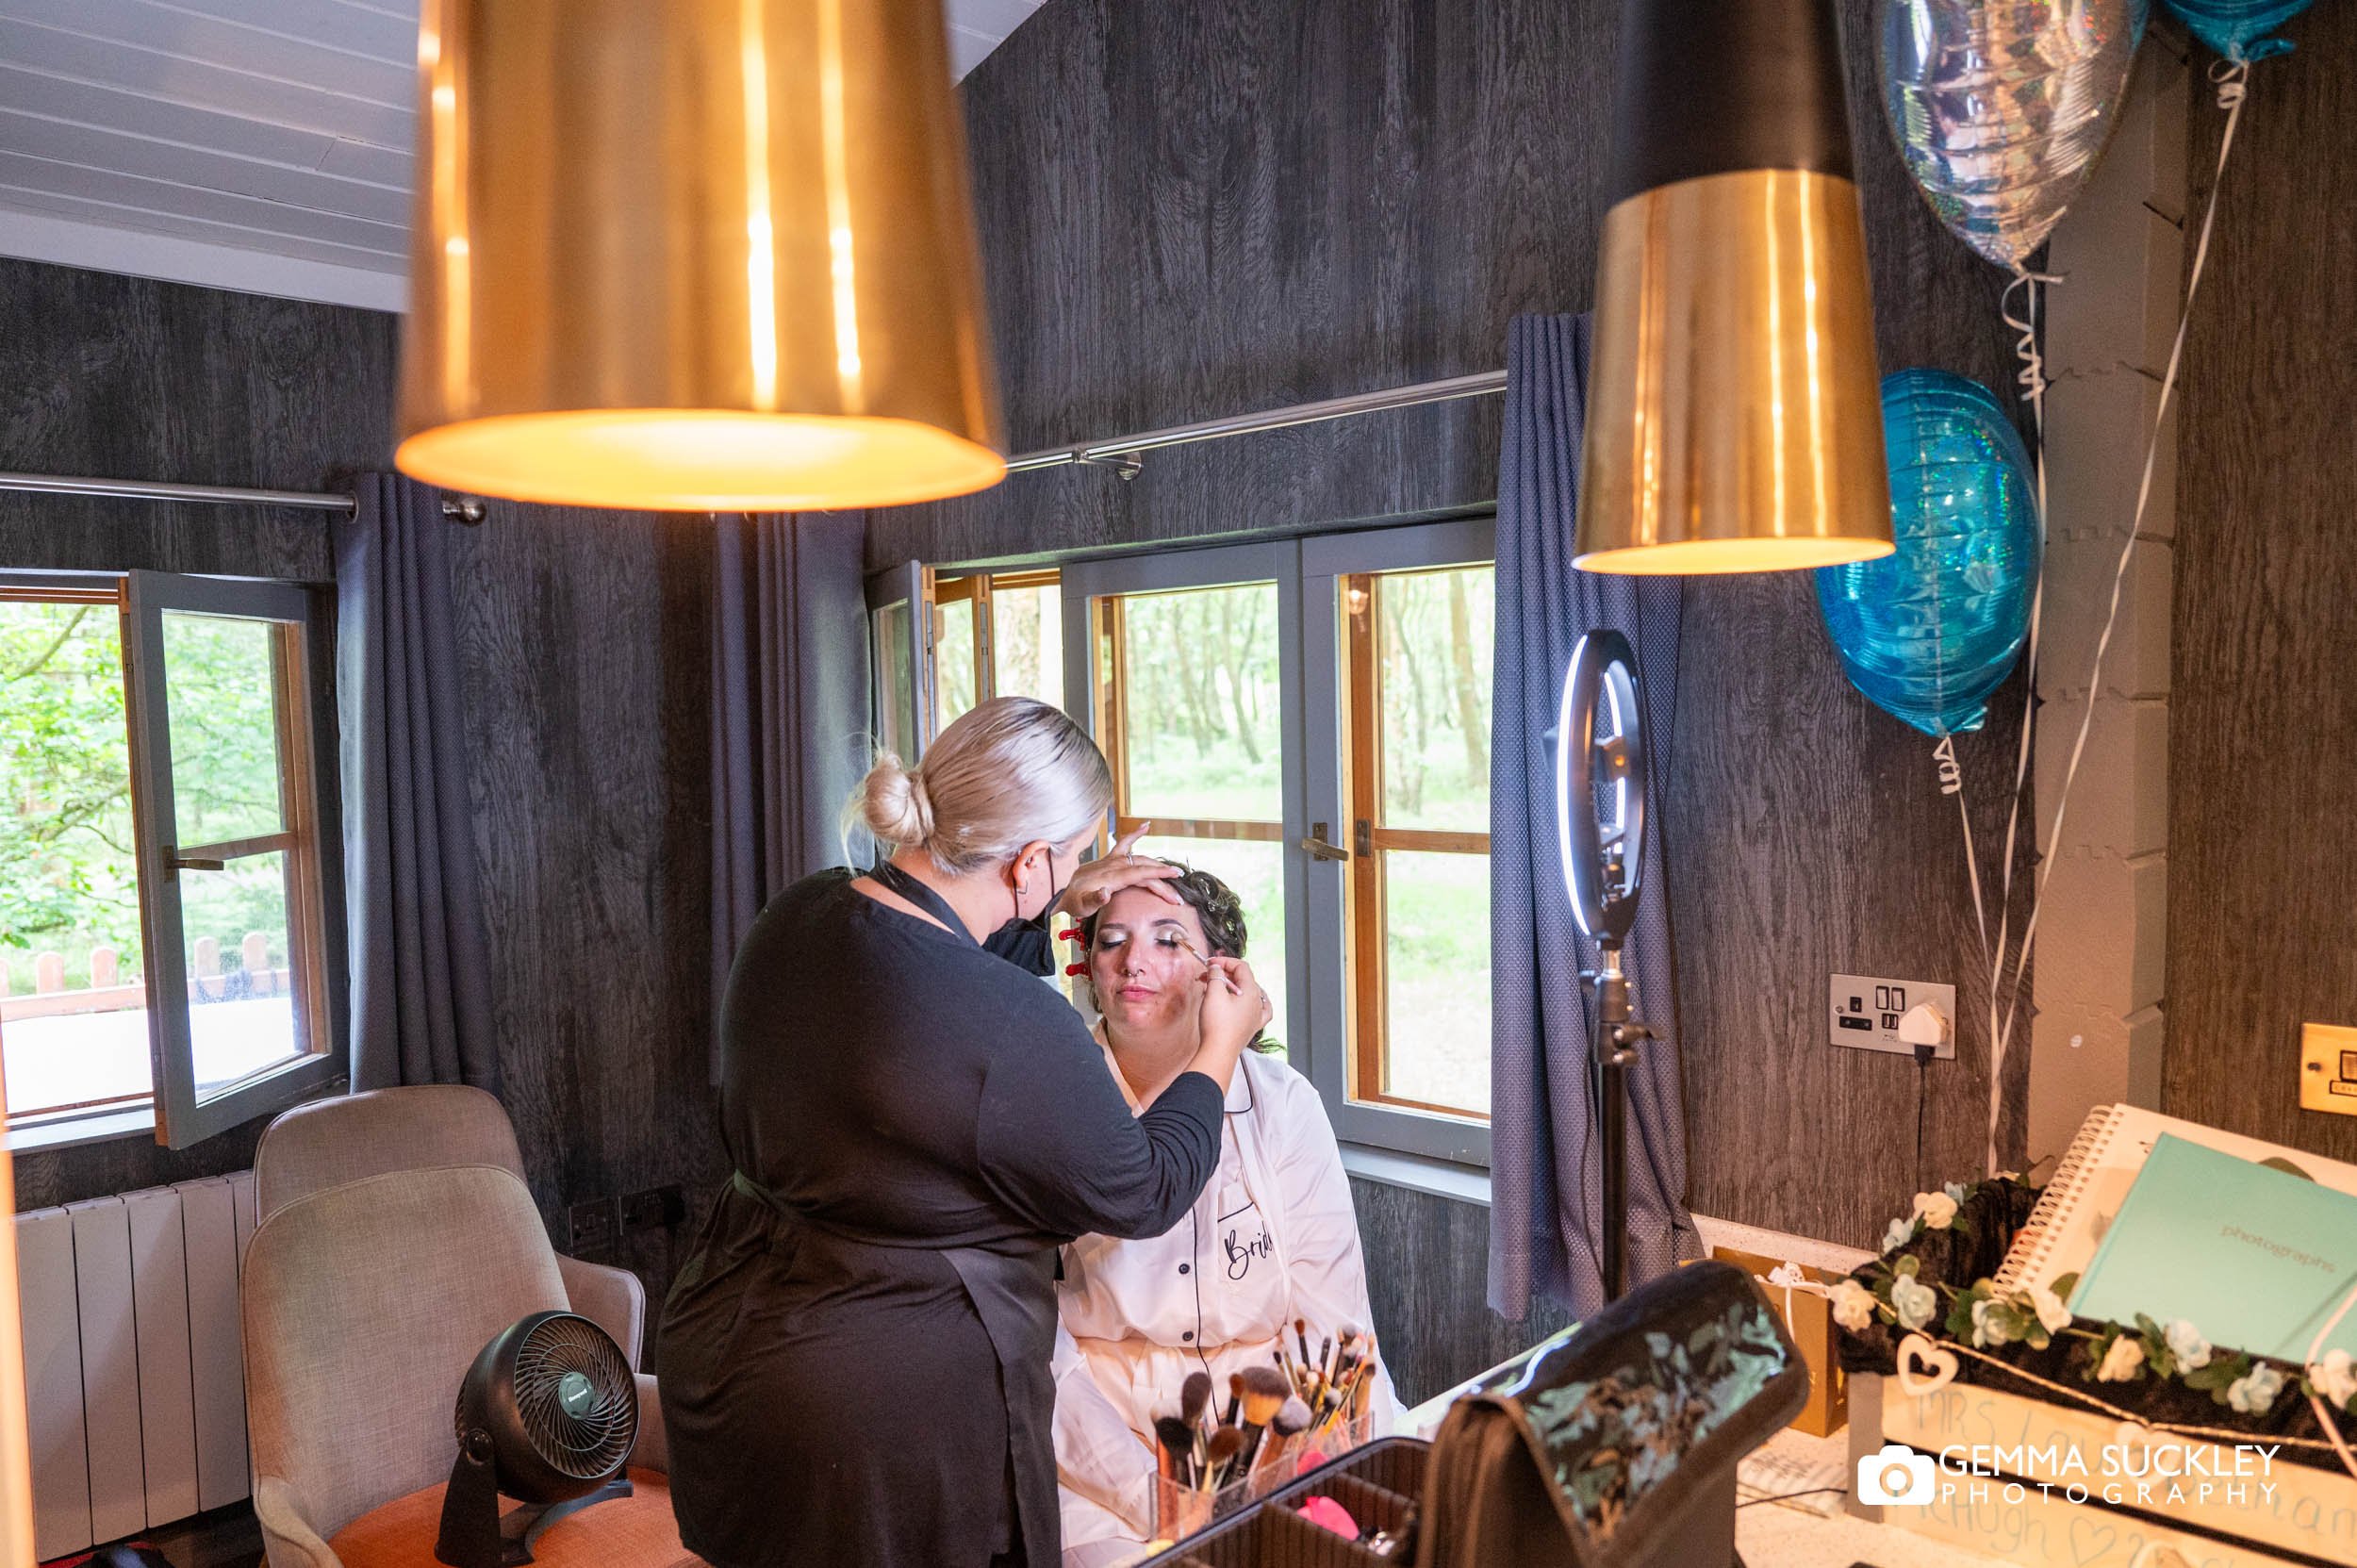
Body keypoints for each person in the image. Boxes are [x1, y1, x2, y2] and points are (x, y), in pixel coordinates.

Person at [658, 698, 1269, 1568]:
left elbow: (945, 977)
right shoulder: (1012, 1025)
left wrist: (1049, 897)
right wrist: (1219, 1045)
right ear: (1027, 861)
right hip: (878, 1413)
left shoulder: (798, 917)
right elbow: (1145, 1185)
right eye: (1069, 857)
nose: (1072, 880)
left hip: (726, 1342)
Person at [1049, 865, 1397, 1562]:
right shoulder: (1049, 1101)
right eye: (1111, 940)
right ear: (1088, 967)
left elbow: (1333, 1319)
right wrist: (1152, 1491)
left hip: (1289, 1417)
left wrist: (1280, 1470)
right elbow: (1039, 1354)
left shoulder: (1284, 1102)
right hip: (1101, 1443)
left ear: (1223, 975)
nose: (1133, 959)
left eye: (1168, 940)